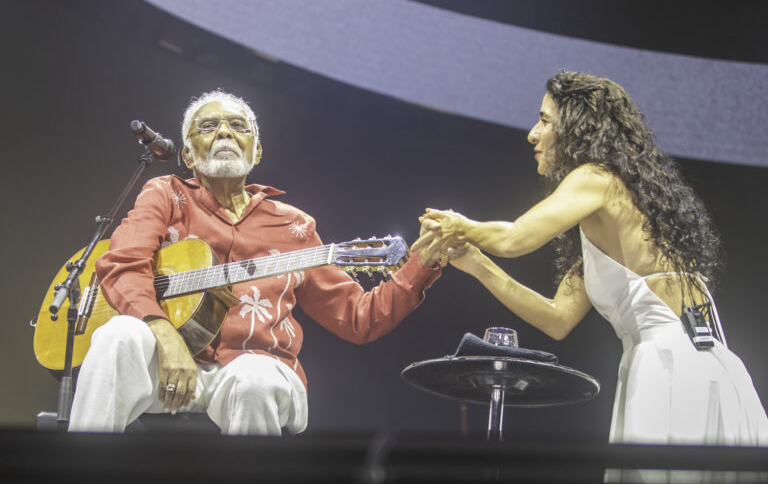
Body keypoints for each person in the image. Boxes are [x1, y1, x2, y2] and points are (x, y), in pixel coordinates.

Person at [415, 71, 768, 454]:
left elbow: (515, 238)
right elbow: (557, 318)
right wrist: (476, 262)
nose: (533, 134)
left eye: (545, 120)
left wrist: (460, 226)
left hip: (672, 369)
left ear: (578, 127)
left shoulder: (596, 178)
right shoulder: (614, 211)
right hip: (697, 371)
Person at [68, 90, 444, 435]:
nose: (224, 134)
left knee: (254, 379)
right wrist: (165, 336)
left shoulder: (295, 226)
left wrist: (420, 266)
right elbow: (122, 263)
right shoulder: (166, 194)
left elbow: (359, 318)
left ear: (256, 151)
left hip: (255, 368)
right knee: (118, 335)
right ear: (187, 154)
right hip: (167, 366)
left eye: (237, 126)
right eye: (209, 126)